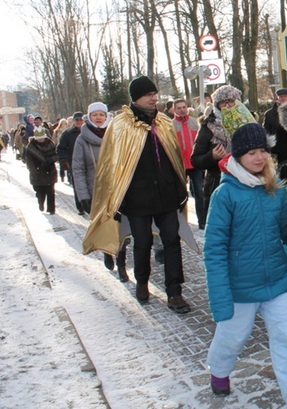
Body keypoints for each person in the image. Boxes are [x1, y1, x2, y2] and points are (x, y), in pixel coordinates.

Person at [204, 124, 287, 408]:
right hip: (241, 286)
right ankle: (219, 370)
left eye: (263, 152)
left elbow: (286, 232)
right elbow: (214, 249)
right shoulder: (225, 195)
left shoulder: (276, 190)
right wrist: (220, 298)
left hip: (278, 282)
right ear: (239, 155)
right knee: (233, 337)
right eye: (252, 152)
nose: (259, 158)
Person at [82, 76, 191, 313]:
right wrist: (117, 199)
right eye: (148, 94)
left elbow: (174, 158)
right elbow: (112, 166)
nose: (154, 98)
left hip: (166, 195)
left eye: (155, 93)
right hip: (137, 198)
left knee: (172, 242)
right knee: (143, 243)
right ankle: (142, 281)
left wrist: (180, 188)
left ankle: (175, 292)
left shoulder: (163, 121)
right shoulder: (120, 125)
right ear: (136, 97)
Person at [72, 102, 129, 281]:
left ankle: (122, 265)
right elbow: (78, 169)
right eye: (95, 114)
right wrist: (83, 196)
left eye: (101, 114)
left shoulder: (115, 135)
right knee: (104, 227)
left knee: (121, 229)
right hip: (95, 192)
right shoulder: (82, 140)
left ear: (106, 117)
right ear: (89, 117)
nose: (98, 117)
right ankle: (106, 251)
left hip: (116, 190)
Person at [191, 85, 242, 217]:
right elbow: (195, 160)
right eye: (223, 102)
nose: (228, 105)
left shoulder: (247, 122)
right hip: (217, 183)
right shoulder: (208, 127)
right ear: (217, 104)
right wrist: (211, 156)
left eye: (231, 101)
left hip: (244, 181)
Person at [173, 98, 206, 229]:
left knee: (199, 191)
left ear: (187, 107)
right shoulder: (171, 125)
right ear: (174, 110)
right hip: (180, 164)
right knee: (180, 194)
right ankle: (181, 222)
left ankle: (202, 221)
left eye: (183, 107)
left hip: (195, 163)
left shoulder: (195, 123)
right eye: (179, 108)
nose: (182, 110)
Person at [57, 111, 85, 214]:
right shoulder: (67, 133)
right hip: (74, 164)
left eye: (81, 119)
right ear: (73, 121)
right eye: (77, 120)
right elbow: (60, 148)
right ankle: (80, 207)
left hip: (90, 163)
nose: (79, 121)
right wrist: (63, 160)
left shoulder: (89, 131)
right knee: (78, 186)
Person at [26, 127, 58, 215]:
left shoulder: (50, 144)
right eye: (39, 138)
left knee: (51, 191)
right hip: (38, 171)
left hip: (49, 170)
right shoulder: (31, 147)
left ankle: (51, 209)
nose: (41, 140)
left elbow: (55, 155)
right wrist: (33, 172)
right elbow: (29, 161)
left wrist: (51, 160)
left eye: (42, 138)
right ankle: (41, 202)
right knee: (40, 191)